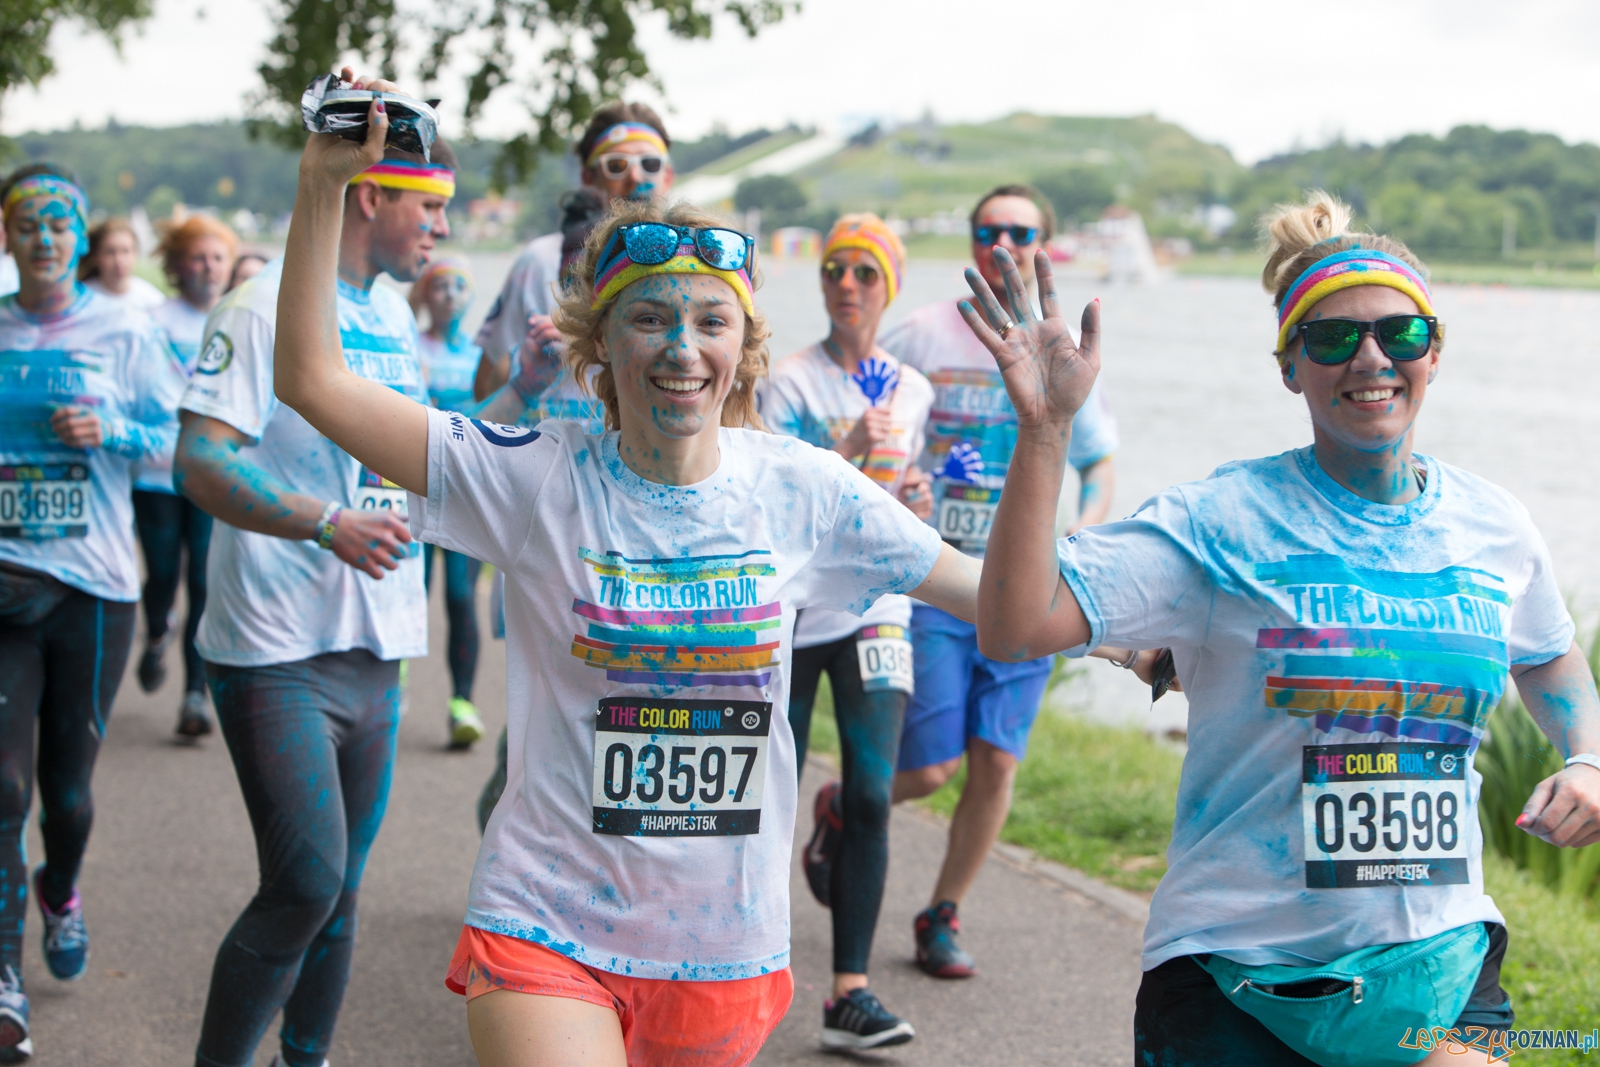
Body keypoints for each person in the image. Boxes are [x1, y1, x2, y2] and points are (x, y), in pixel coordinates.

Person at [269, 81, 982, 1067]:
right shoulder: (530, 475)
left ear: (743, 346)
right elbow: (311, 378)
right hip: (545, 921)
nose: (681, 347)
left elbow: (998, 597)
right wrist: (319, 185)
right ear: (598, 345)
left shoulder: (804, 487)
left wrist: (1123, 622)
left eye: (708, 321)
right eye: (648, 318)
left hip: (722, 944)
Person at [966, 191, 1600, 1067]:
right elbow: (1016, 625)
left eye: (1399, 334)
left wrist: (1588, 756)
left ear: (1434, 352)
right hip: (1237, 967)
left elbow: (1551, 657)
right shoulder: (1221, 520)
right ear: (1289, 365)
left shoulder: (1495, 526)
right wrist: (1045, 431)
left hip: (1437, 962)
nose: (1371, 357)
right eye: (1334, 338)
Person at [172, 110, 457, 1067]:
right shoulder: (260, 307)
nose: (445, 230)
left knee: (342, 894)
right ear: (369, 194)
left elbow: (414, 466)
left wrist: (515, 394)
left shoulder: (388, 320)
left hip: (376, 647)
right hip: (275, 652)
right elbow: (201, 462)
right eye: (432, 208)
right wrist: (320, 522)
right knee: (303, 882)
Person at [877, 183, 1120, 978]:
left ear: (1044, 243)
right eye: (990, 229)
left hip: (1026, 585)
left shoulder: (1060, 346)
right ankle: (843, 805)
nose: (1005, 242)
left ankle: (942, 911)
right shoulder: (919, 333)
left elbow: (1098, 457)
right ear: (972, 238)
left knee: (997, 763)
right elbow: (879, 422)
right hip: (937, 577)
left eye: (1023, 231)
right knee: (930, 764)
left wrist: (1087, 522)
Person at [0, 163, 180, 1062]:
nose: (44, 237)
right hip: (3, 584)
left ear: (79, 235)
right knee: (3, 786)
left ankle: (59, 886)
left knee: (66, 793)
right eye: (26, 223)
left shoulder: (127, 328)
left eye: (60, 224)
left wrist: (112, 431)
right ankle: (3, 977)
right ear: (6, 236)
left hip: (95, 588)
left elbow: (185, 439)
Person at [759, 213, 932, 1050]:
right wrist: (848, 453)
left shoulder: (914, 389)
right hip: (791, 612)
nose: (849, 284)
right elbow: (777, 505)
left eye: (867, 271)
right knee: (767, 797)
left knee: (870, 790)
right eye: (836, 268)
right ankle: (737, 967)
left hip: (877, 609)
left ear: (888, 285)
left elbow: (901, 497)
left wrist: (917, 499)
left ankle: (850, 994)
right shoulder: (787, 385)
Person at [471, 101, 674, 402]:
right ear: (588, 178)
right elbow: (483, 386)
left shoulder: (690, 265)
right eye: (617, 165)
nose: (635, 177)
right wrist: (527, 372)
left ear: (667, 177)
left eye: (650, 164)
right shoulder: (540, 261)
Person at [138, 214, 238, 737]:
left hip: (210, 472)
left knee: (202, 578)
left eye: (218, 257)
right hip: (154, 474)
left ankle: (194, 696)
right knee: (162, 575)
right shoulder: (153, 321)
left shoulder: (236, 317)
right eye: (197, 257)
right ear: (177, 266)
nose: (209, 267)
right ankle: (156, 632)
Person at [409, 255, 489, 747]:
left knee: (460, 599)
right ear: (425, 295)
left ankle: (463, 702)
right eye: (441, 286)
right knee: (410, 593)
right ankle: (389, 684)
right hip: (411, 485)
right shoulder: (409, 345)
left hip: (462, 491)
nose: (451, 294)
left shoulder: (482, 354)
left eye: (460, 285)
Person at [80, 217, 165, 312]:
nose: (119, 260)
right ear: (95, 256)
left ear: (135, 254)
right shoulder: (80, 299)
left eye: (125, 251)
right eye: (110, 252)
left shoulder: (153, 301)